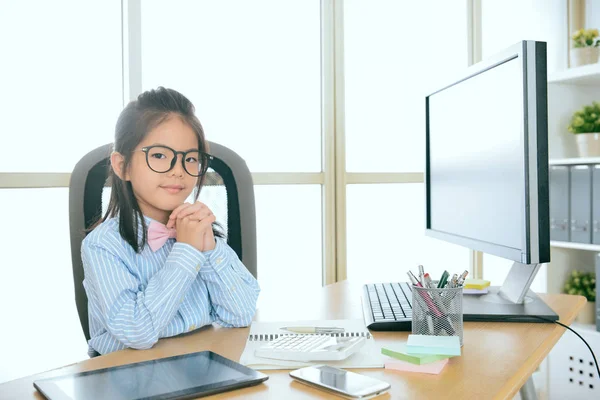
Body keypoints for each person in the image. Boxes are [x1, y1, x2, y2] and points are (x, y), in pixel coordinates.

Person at [81, 87, 260, 356]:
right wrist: (186, 253)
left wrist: (208, 248)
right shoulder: (102, 245)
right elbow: (136, 332)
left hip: (203, 364)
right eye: (159, 156)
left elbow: (242, 313)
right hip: (128, 375)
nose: (178, 171)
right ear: (122, 166)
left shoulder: (199, 231)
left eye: (190, 159)